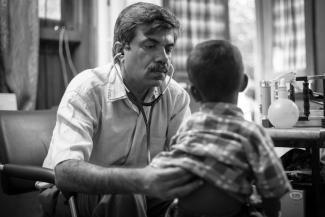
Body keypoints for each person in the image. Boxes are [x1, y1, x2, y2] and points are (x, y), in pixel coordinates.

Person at [39, 2, 203, 217]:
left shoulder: (175, 96)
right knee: (126, 191)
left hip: (144, 193)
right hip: (71, 196)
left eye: (168, 48)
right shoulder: (87, 89)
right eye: (150, 45)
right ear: (120, 50)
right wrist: (139, 180)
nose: (163, 58)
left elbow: (185, 158)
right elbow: (65, 172)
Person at [151, 40, 292, 217]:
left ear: (194, 92)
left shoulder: (188, 126)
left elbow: (175, 158)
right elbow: (272, 188)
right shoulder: (251, 133)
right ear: (243, 83)